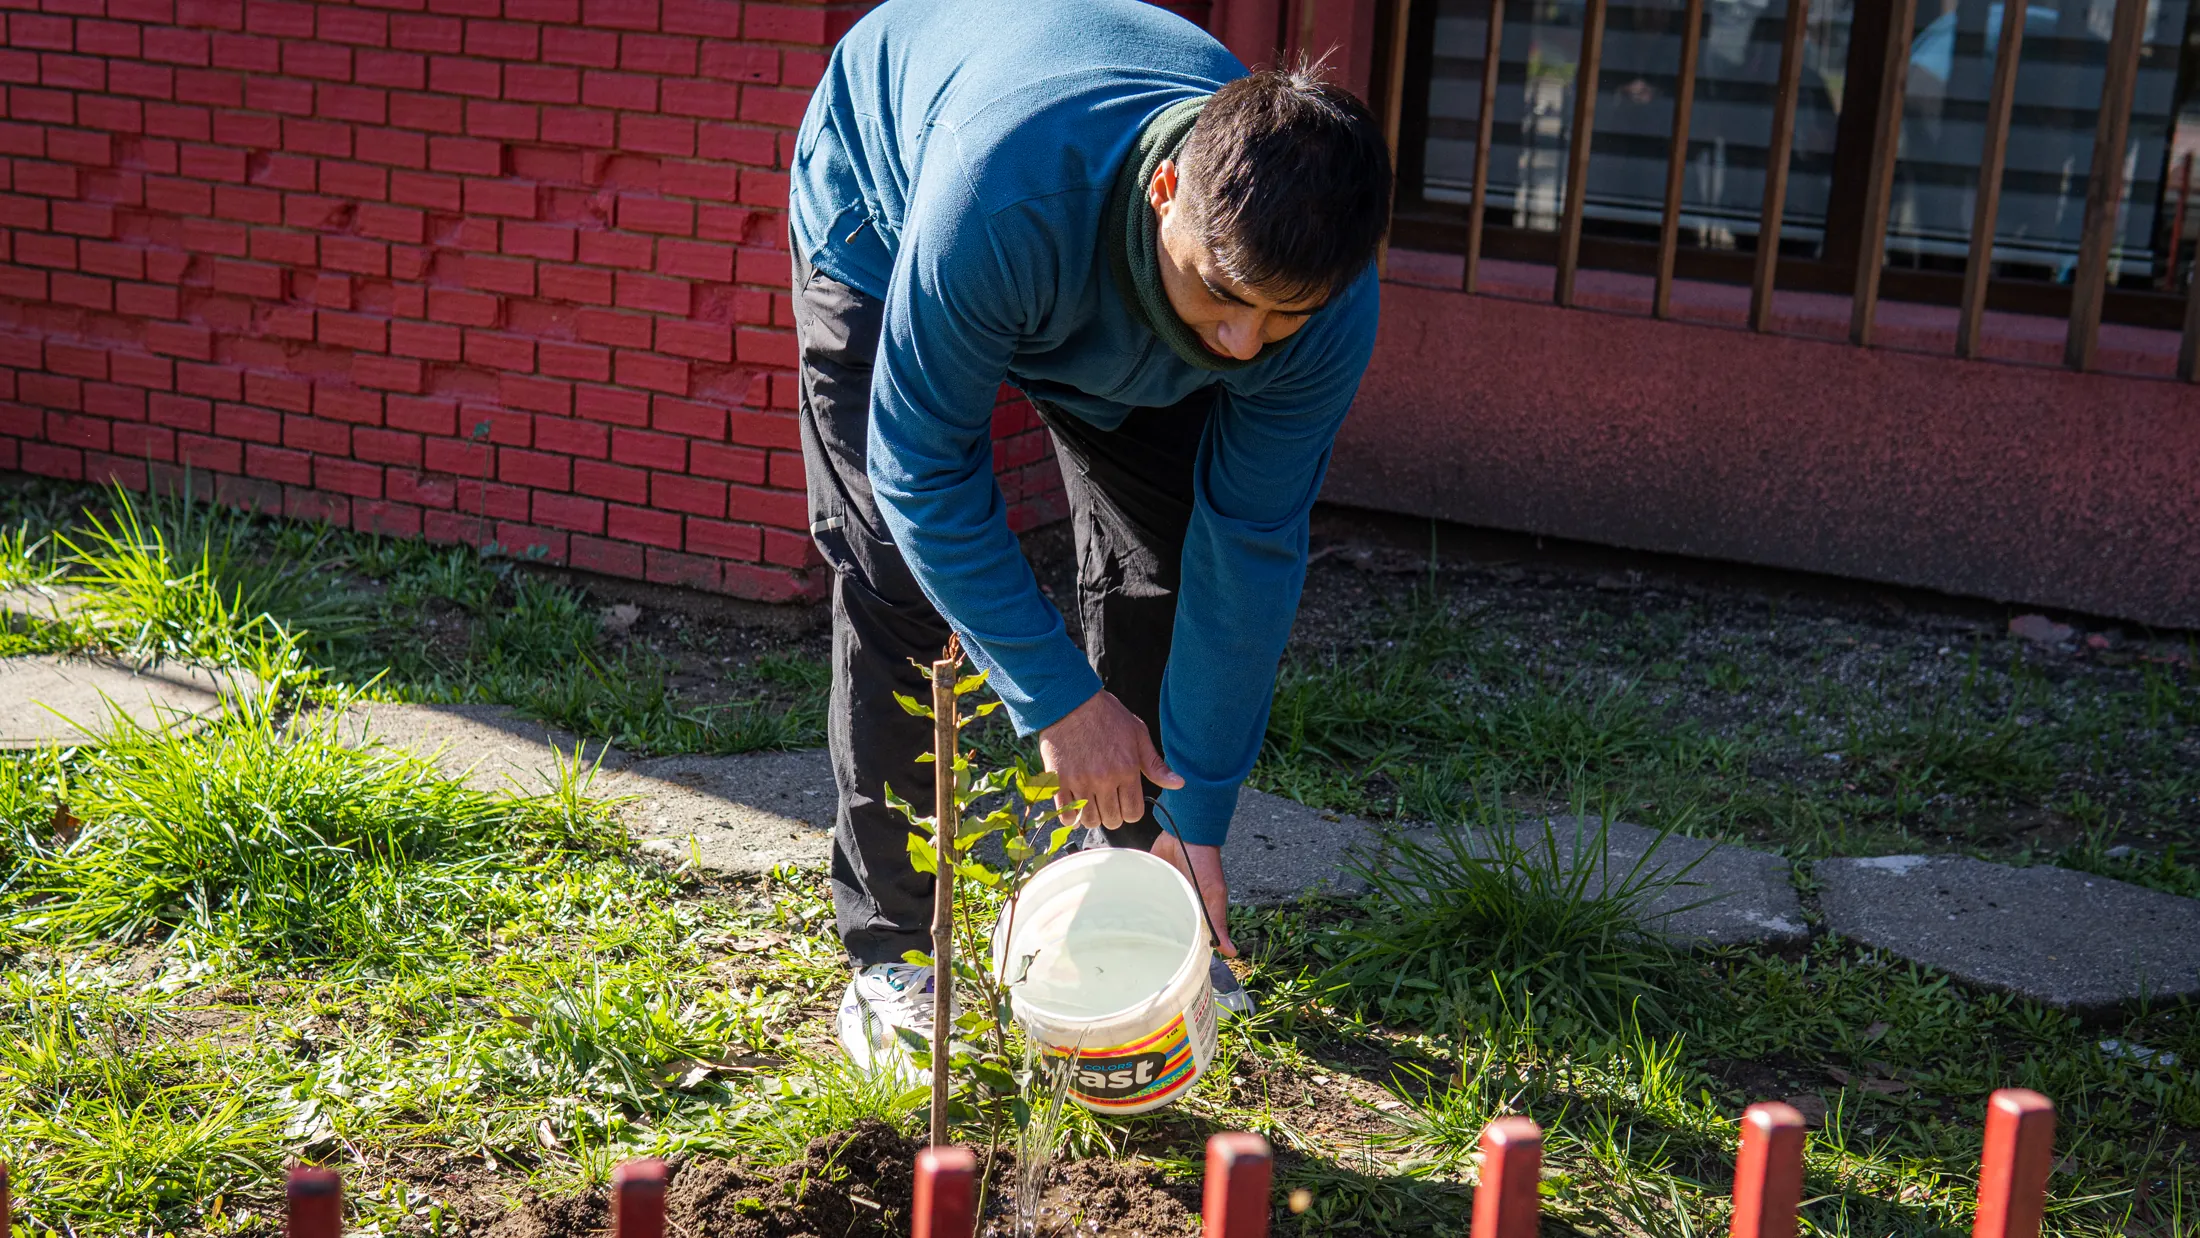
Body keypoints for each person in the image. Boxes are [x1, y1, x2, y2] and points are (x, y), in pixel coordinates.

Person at [787, 0, 1391, 1074]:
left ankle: (1135, 891)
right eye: (1220, 296)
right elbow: (922, 466)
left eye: (1279, 319)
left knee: (1167, 555)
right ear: (1169, 191)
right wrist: (1057, 698)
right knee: (898, 577)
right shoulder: (998, 197)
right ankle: (891, 953)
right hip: (895, 212)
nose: (1244, 344)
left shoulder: (1311, 302)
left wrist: (1197, 805)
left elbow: (1246, 540)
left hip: (1090, 268)